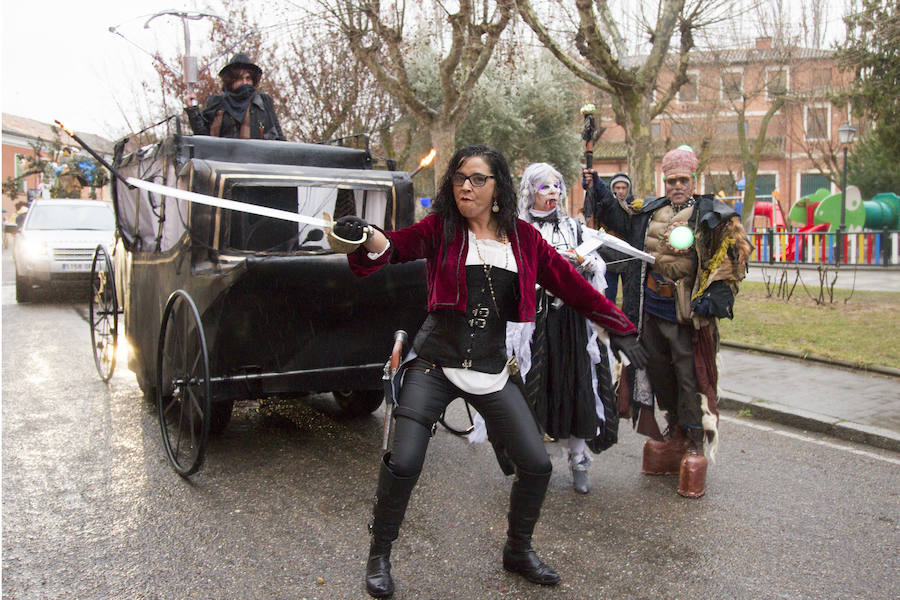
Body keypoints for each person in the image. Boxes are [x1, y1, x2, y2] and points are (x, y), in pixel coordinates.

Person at [332, 145, 646, 598]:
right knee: (404, 462)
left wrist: (621, 329)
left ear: (498, 187)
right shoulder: (440, 229)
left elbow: (574, 286)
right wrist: (366, 237)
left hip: (491, 367)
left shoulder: (524, 239)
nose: (466, 186)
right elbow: (392, 247)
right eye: (460, 177)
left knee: (536, 465)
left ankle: (517, 550)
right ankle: (379, 555)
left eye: (478, 179)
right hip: (435, 363)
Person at [583, 146, 752, 498]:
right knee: (657, 372)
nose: (677, 185)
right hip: (649, 308)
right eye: (671, 179)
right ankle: (674, 432)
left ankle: (693, 442)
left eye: (683, 180)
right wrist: (597, 186)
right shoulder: (650, 210)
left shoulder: (712, 214)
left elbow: (735, 254)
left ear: (693, 179)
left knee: (689, 376)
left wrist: (714, 297)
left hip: (685, 313)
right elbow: (618, 220)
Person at [514, 162, 617, 494]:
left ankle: (579, 457)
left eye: (557, 186)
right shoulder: (518, 229)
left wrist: (585, 262)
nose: (554, 193)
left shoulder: (573, 227)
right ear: (531, 191)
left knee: (577, 384)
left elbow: (597, 263)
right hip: (536, 324)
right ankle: (534, 463)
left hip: (572, 323)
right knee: (534, 388)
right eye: (545, 187)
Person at [182, 53, 285, 140]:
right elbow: (203, 138)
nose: (245, 83)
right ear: (231, 81)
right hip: (223, 160)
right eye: (240, 78)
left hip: (257, 161)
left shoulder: (262, 103)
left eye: (248, 78)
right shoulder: (218, 104)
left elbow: (277, 137)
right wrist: (193, 111)